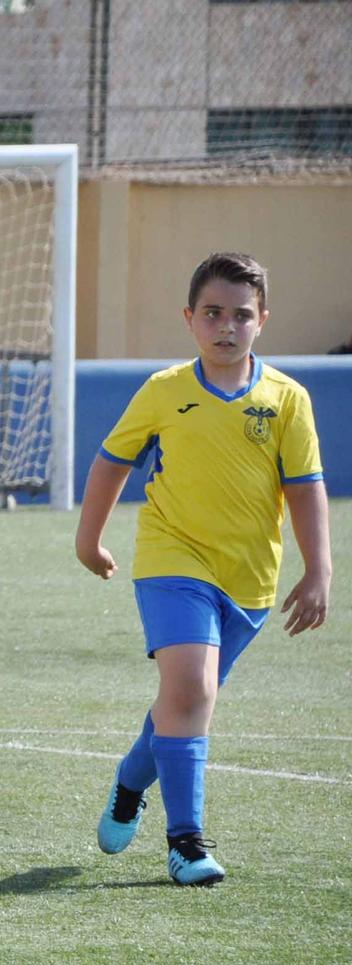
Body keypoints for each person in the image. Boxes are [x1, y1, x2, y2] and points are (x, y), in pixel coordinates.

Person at [79, 251, 330, 887]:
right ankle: (186, 843)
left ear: (262, 321)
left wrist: (318, 569)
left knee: (178, 701)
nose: (226, 326)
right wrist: (90, 538)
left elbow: (304, 488)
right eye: (213, 313)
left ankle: (131, 781)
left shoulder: (287, 400)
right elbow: (112, 461)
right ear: (189, 319)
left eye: (241, 315)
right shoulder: (164, 391)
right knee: (193, 691)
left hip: (248, 580)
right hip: (171, 559)